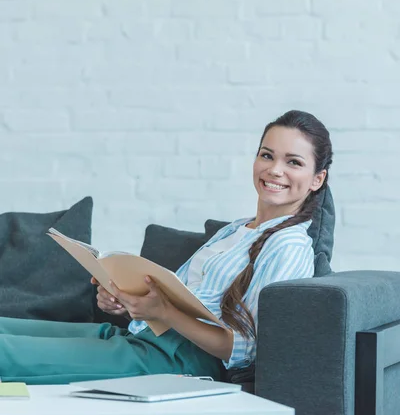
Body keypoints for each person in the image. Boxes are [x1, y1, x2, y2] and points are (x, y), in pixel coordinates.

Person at [0, 109, 332, 385]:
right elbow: (178, 303)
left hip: (181, 361)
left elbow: (245, 348)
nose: (275, 169)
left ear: (318, 179)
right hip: (145, 339)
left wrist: (164, 312)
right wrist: (126, 302)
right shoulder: (236, 230)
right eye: (267, 155)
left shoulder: (288, 245)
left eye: (294, 162)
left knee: (6, 355)